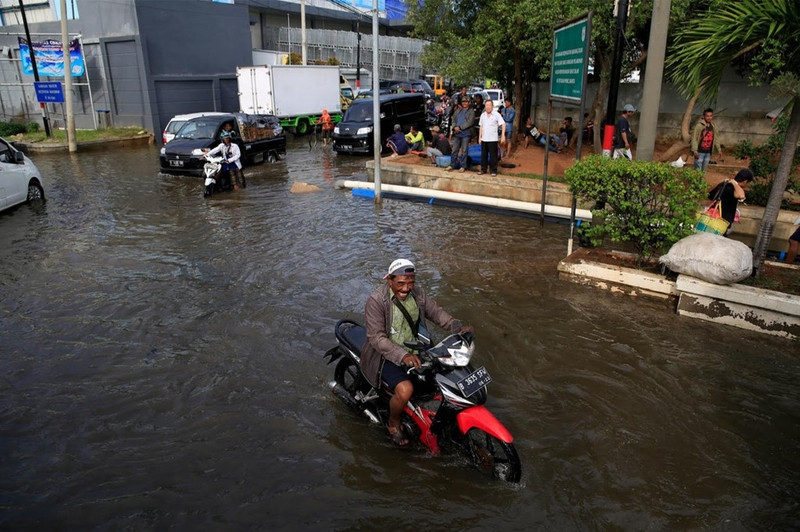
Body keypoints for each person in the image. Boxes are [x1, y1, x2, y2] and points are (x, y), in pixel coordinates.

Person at [360, 258, 471, 447]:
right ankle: (394, 422)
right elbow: (377, 338)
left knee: (448, 372)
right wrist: (402, 355)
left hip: (417, 347)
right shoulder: (376, 301)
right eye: (400, 283)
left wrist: (455, 326)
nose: (406, 288)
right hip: (385, 355)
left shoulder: (417, 292)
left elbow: (435, 312)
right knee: (406, 390)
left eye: (410, 283)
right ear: (389, 280)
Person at [707, 168, 753, 235]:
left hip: (713, 220)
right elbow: (741, 196)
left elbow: (710, 196)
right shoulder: (733, 188)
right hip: (721, 223)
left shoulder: (725, 184)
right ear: (745, 181)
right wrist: (735, 183)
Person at [446, 98, 475, 172]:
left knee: (464, 150)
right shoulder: (458, 111)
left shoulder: (471, 112)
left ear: (469, 102)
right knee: (454, 150)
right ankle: (452, 165)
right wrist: (455, 127)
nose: (464, 103)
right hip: (457, 134)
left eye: (466, 101)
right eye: (463, 102)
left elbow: (470, 122)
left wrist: (460, 127)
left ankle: (463, 166)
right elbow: (453, 120)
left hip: (466, 134)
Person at [478, 100, 505, 176]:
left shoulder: (496, 115)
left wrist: (503, 135)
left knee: (493, 156)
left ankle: (493, 170)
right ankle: (483, 169)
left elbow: (503, 124)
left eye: (489, 105)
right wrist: (480, 137)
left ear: (492, 106)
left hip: (493, 139)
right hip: (484, 138)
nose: (488, 107)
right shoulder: (483, 115)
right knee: (484, 155)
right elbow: (481, 126)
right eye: (486, 105)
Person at [691, 108, 722, 172]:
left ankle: (701, 182)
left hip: (708, 152)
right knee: (697, 170)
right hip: (699, 152)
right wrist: (695, 150)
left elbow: (716, 138)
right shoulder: (699, 126)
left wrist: (719, 149)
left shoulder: (713, 126)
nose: (709, 118)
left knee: (703, 170)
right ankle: (696, 182)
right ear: (703, 116)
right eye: (707, 116)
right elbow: (694, 138)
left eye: (711, 116)